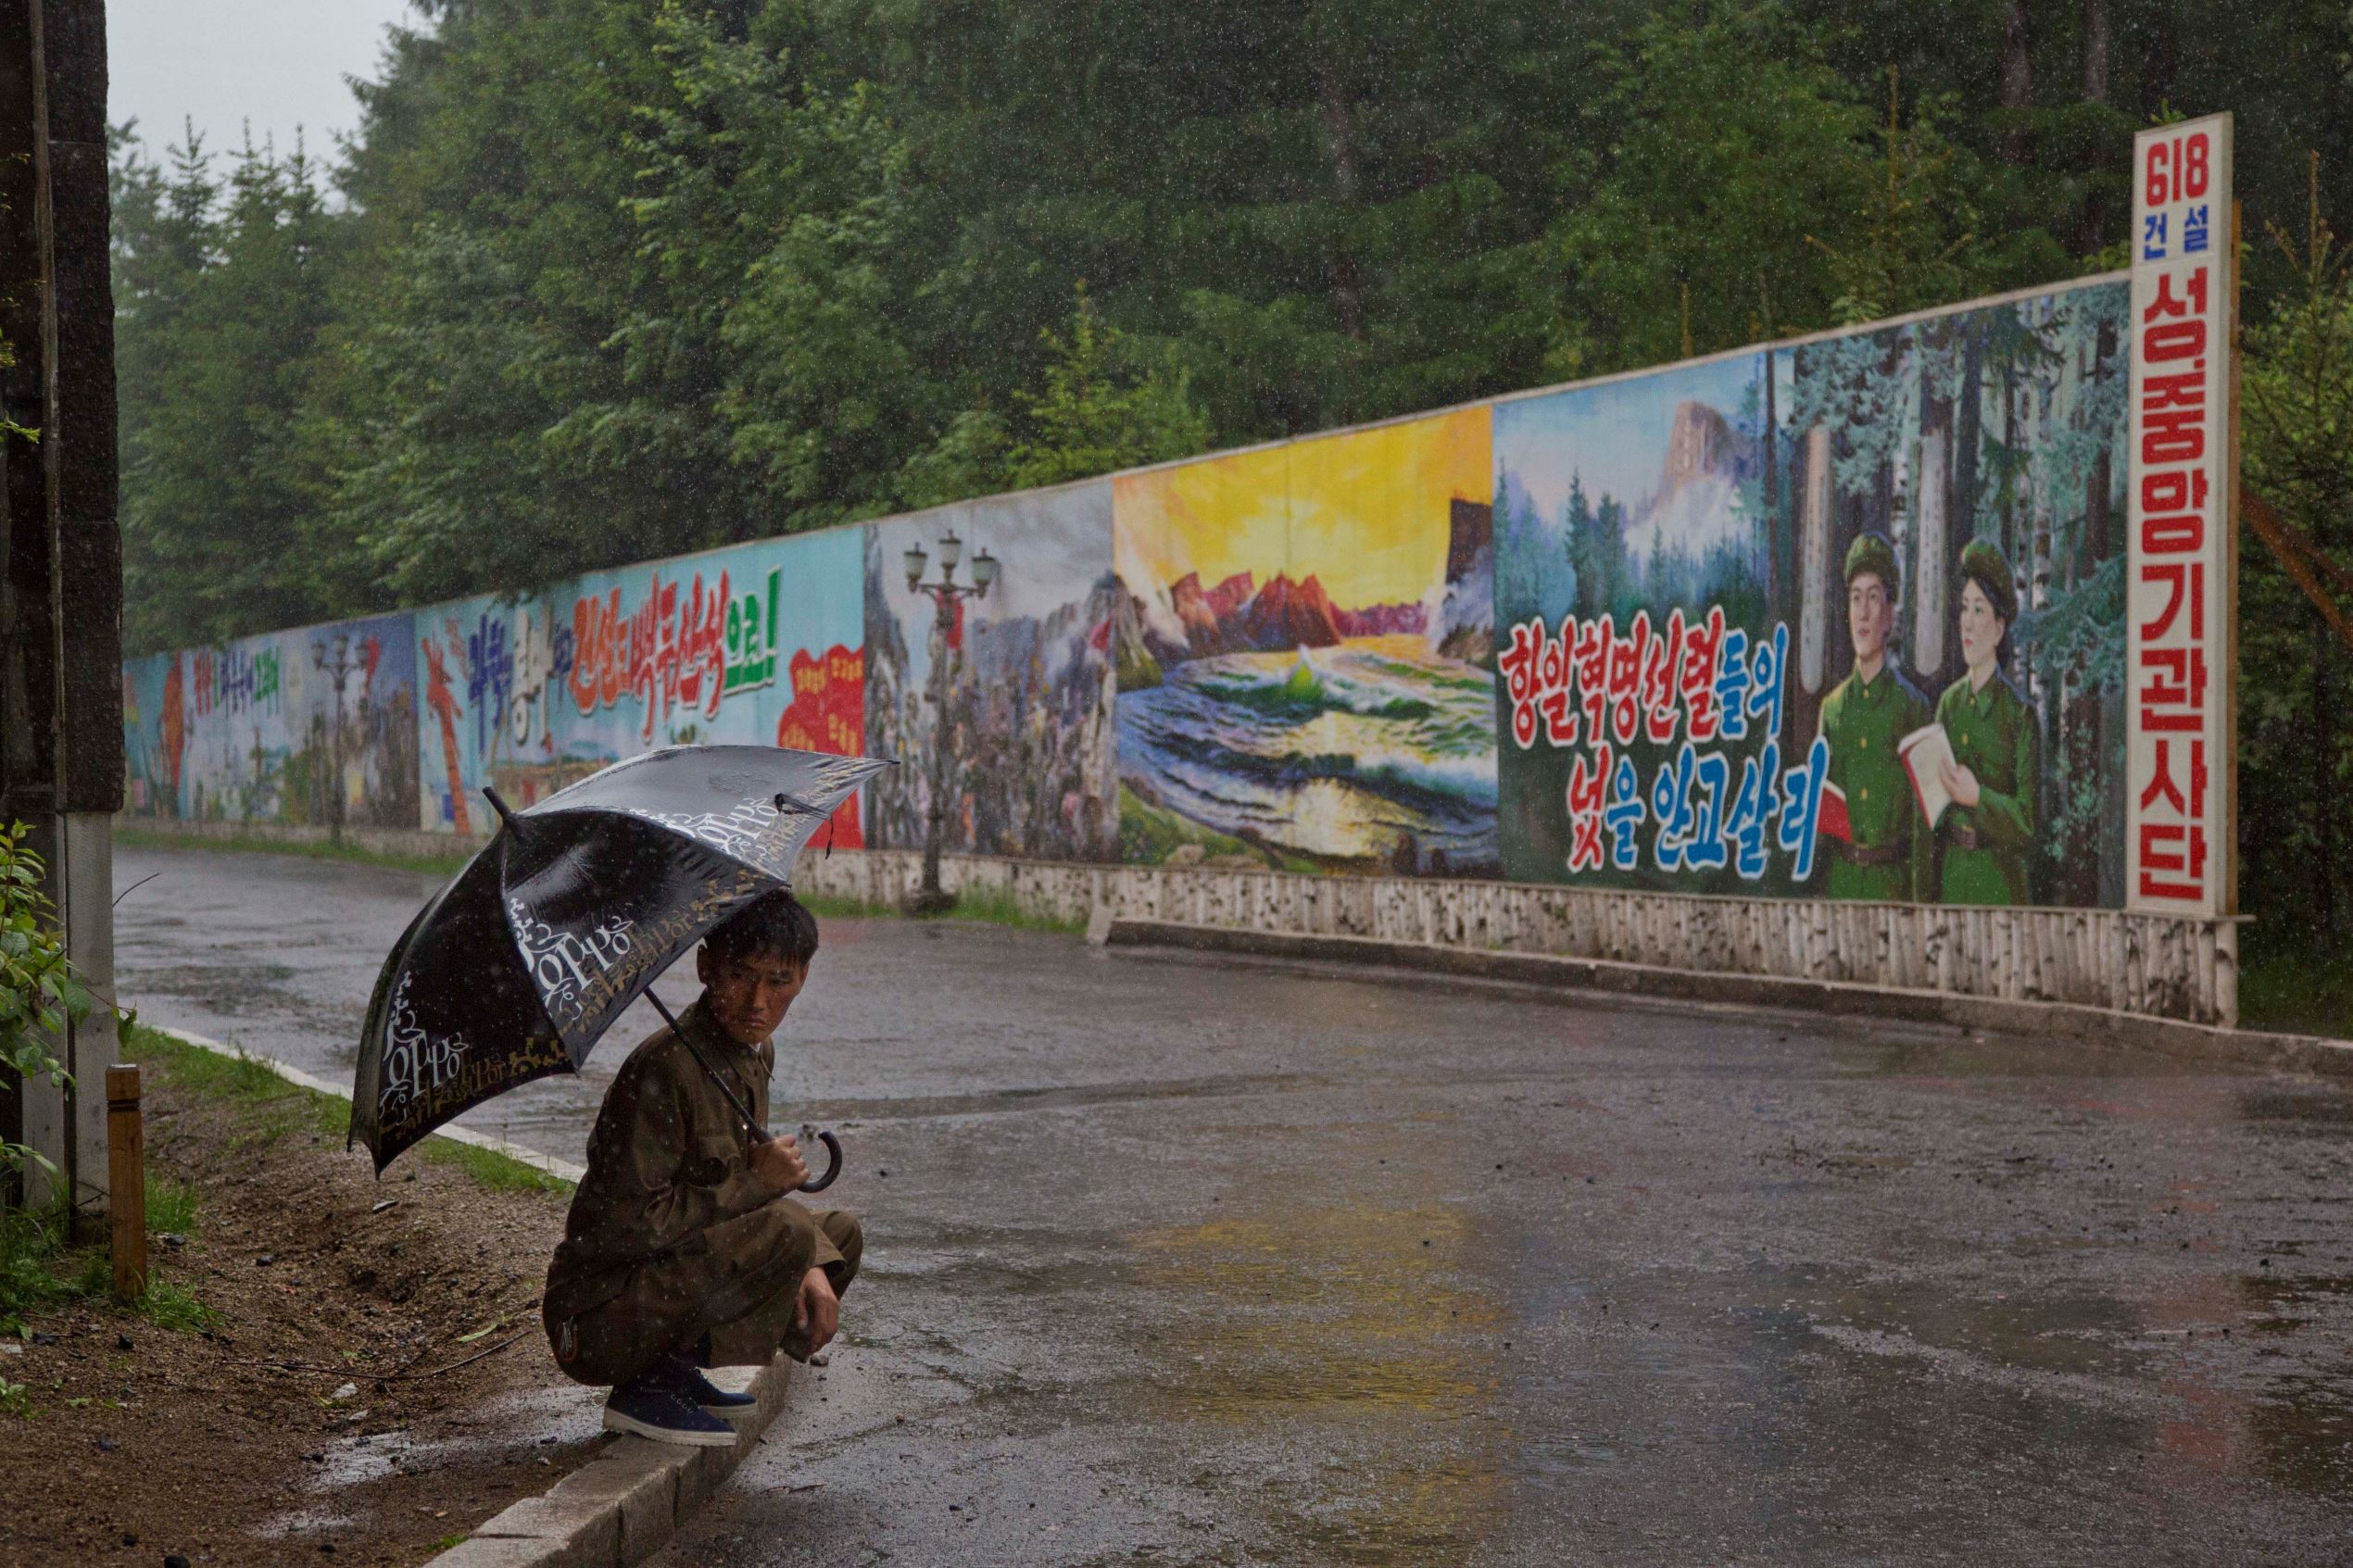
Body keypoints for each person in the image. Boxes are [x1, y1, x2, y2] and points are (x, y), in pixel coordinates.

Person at [540, 890, 862, 1447]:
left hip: (661, 1280)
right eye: (740, 975)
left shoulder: (754, 1053)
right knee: (788, 1230)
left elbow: (734, 1207)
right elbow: (623, 1228)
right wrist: (755, 1183)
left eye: (779, 981)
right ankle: (640, 1386)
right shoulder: (665, 1070)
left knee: (838, 1237)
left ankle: (672, 1370)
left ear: (804, 976)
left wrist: (808, 1256)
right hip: (598, 1316)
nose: (758, 1001)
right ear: (706, 965)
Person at [1816, 533, 1934, 901]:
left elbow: (1925, 824)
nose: (1863, 612)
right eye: (1855, 598)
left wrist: (1921, 905)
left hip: (1893, 891)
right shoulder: (1832, 709)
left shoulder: (1914, 708)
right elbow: (1821, 819)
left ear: (1889, 614)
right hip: (1841, 888)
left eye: (1873, 597)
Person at [1931, 541, 2040, 906]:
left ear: (1997, 629)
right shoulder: (1949, 704)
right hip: (1952, 879)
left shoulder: (2019, 715)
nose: (1967, 621)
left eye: (1979, 610)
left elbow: (2027, 824)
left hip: (1999, 885)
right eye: (1964, 608)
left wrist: (1978, 798)